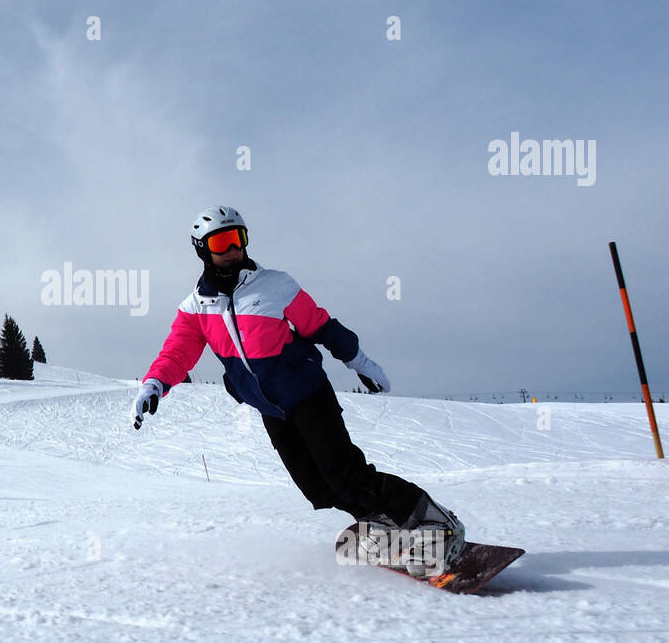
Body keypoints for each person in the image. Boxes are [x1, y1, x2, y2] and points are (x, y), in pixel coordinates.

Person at [131, 205, 465, 575]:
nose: (233, 250)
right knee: (318, 487)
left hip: (308, 395)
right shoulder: (195, 308)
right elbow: (177, 353)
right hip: (273, 411)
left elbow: (321, 326)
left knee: (347, 475)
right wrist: (155, 383)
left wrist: (360, 362)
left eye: (238, 239)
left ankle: (436, 523)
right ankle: (381, 521)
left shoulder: (274, 285)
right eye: (222, 242)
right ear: (202, 250)